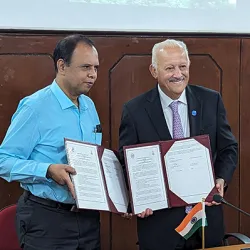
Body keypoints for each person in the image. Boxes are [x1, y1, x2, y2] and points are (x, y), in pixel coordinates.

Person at [119, 39, 238, 250]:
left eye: (183, 66)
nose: (178, 74)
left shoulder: (211, 101)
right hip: (160, 228)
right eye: (170, 68)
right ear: (154, 71)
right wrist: (136, 199)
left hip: (206, 224)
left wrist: (221, 179)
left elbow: (229, 149)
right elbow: (126, 163)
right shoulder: (134, 110)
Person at [0, 34, 102, 250]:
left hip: (88, 219)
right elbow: (3, 160)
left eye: (95, 68)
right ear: (62, 66)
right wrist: (47, 170)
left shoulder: (89, 106)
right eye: (85, 67)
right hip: (46, 219)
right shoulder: (35, 107)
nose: (92, 75)